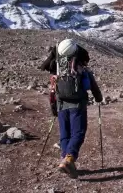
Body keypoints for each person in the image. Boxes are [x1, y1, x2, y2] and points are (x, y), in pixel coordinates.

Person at [39, 40, 103, 178]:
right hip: (77, 106)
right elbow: (94, 87)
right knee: (78, 132)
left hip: (61, 105)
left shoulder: (57, 69)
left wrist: (53, 108)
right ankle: (69, 159)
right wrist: (98, 98)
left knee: (65, 134)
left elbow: (52, 91)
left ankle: (65, 159)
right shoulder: (81, 68)